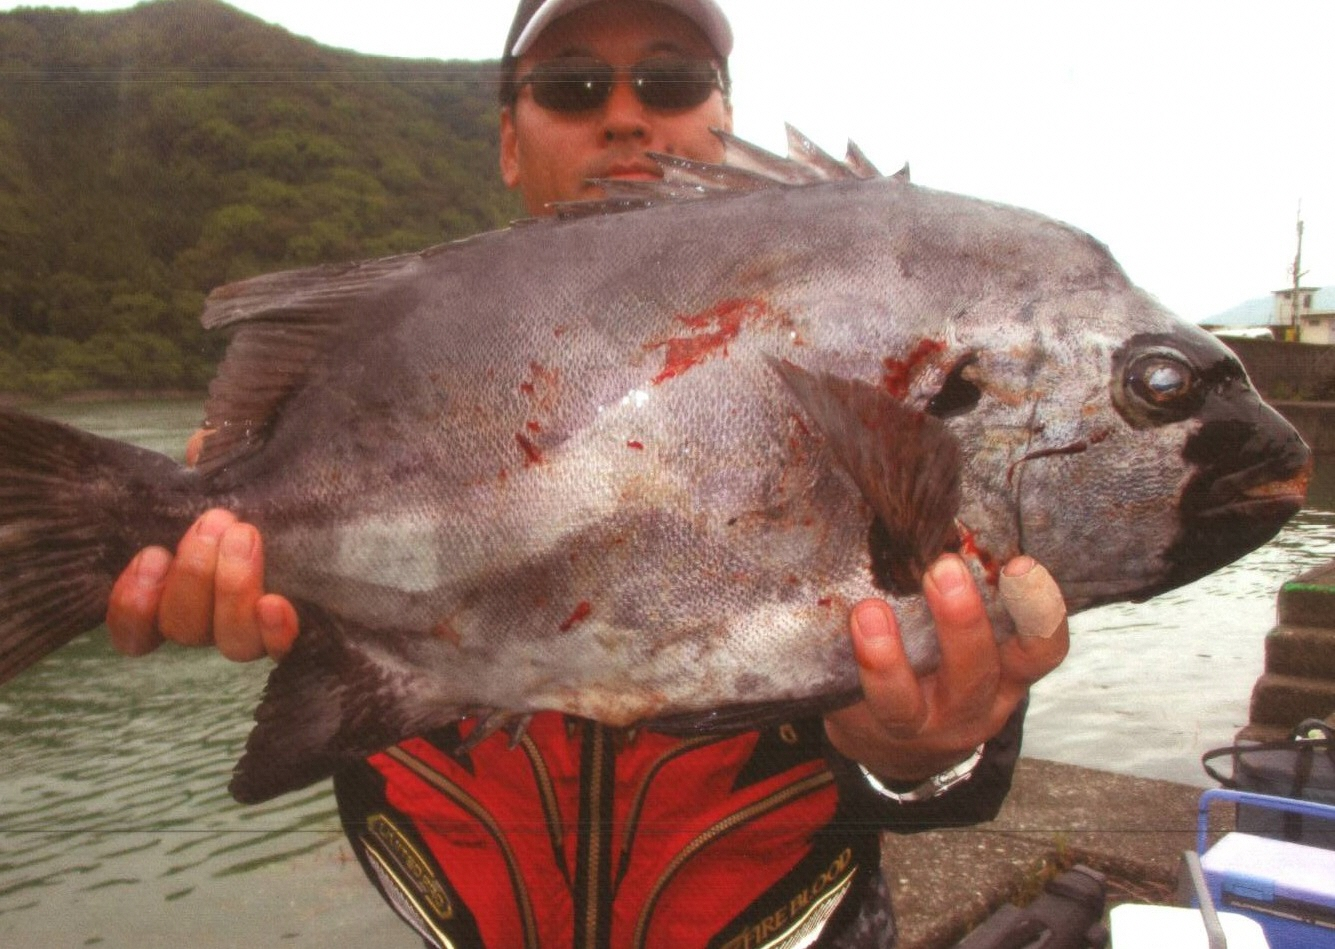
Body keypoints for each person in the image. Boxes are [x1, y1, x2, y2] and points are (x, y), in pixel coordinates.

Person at [105, 1, 1070, 946]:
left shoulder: (869, 322)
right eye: (569, 86)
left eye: (670, 78)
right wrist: (253, 562)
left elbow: (940, 774)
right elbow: (330, 598)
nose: (623, 112)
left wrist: (918, 753)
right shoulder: (412, 346)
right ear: (509, 143)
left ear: (723, 115)